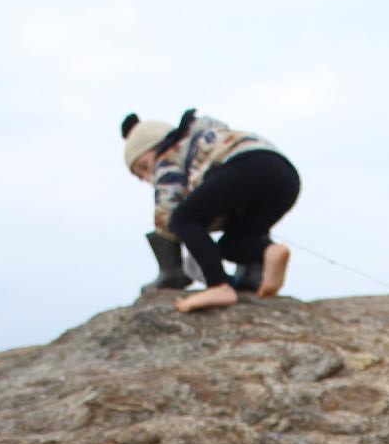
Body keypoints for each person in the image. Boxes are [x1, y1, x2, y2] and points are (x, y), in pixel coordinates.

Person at [121, 109, 300, 314]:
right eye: (141, 175)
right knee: (232, 244)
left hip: (245, 166)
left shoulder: (168, 155)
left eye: (144, 166)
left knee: (182, 218)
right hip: (285, 176)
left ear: (159, 145)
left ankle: (219, 286)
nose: (148, 177)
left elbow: (167, 208)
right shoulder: (203, 138)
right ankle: (269, 252)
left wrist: (171, 261)